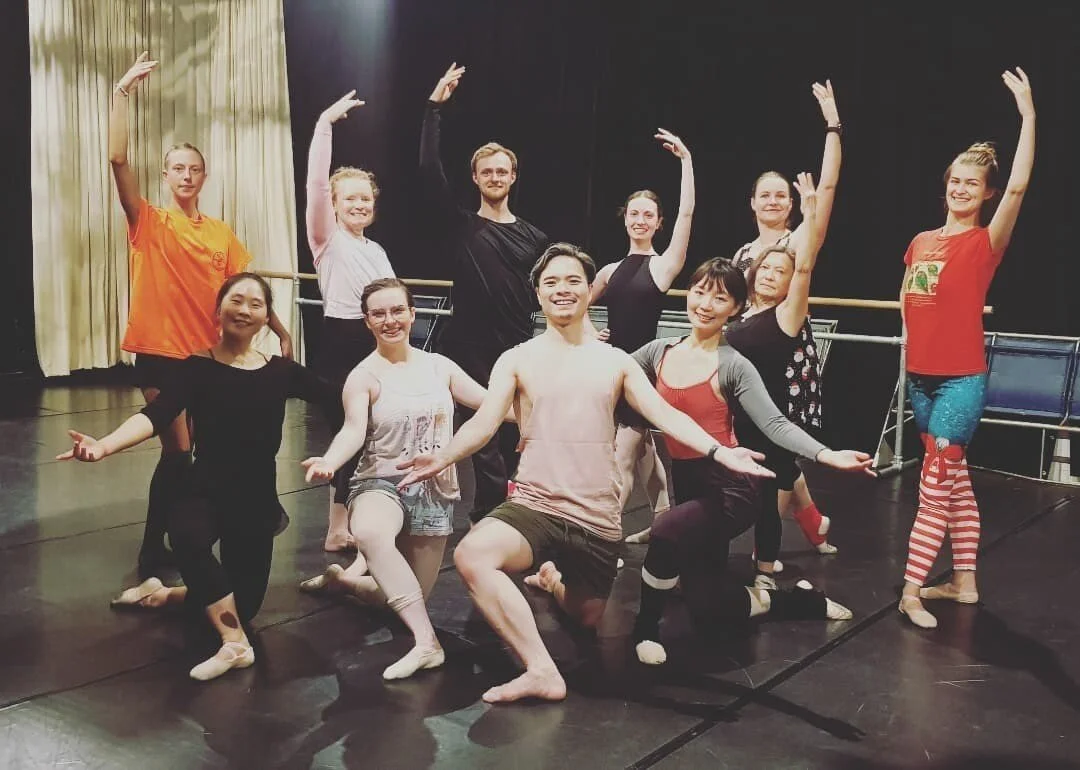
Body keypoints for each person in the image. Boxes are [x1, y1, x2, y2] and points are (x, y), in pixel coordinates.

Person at [396, 243, 774, 704]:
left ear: (589, 291)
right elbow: (484, 421)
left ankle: (553, 578)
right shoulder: (516, 358)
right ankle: (541, 670)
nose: (562, 290)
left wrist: (719, 451)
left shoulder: (615, 361)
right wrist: (443, 455)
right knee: (474, 555)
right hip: (535, 503)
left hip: (597, 517)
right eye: (551, 282)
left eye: (573, 280)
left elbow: (663, 413)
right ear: (537, 292)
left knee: (588, 616)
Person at [58, 274, 326, 681]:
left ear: (267, 317)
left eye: (256, 304)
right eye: (236, 301)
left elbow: (338, 394)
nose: (244, 310)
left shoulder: (282, 371)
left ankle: (161, 593)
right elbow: (155, 415)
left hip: (254, 497)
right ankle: (234, 644)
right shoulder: (196, 368)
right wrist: (104, 446)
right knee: (187, 535)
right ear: (217, 311)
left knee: (246, 604)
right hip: (206, 486)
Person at [626, 258, 873, 666]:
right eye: (700, 291)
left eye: (719, 297)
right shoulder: (659, 352)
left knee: (665, 530)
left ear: (736, 309)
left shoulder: (734, 365)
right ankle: (798, 602)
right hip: (687, 482)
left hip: (731, 489)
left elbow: (774, 422)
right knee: (709, 609)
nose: (705, 304)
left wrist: (826, 454)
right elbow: (612, 373)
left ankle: (645, 628)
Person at [109, 53, 292, 579]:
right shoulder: (150, 221)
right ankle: (154, 548)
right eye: (177, 169)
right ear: (165, 176)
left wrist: (278, 330)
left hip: (207, 356)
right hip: (162, 353)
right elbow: (118, 162)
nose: (186, 176)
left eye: (194, 169)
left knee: (198, 453)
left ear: (204, 176)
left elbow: (245, 289)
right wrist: (121, 95)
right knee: (180, 448)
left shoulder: (219, 232)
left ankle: (185, 535)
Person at [299, 278, 510, 681]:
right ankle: (427, 644)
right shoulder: (363, 377)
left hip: (435, 490)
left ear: (413, 314)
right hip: (381, 482)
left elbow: (491, 405)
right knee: (372, 534)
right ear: (367, 322)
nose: (390, 320)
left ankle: (341, 582)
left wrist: (546, 412)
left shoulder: (440, 367)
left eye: (397, 310)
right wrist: (329, 459)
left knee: (397, 597)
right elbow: (352, 430)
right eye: (379, 313)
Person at [898, 68, 1035, 629]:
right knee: (953, 478)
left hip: (960, 379)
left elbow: (1023, 186)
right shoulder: (920, 241)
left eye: (971, 184)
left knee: (933, 483)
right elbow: (908, 296)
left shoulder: (985, 242)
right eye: (955, 180)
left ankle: (909, 590)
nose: (960, 188)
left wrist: (1028, 115)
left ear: (987, 194)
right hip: (920, 377)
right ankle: (965, 582)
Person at [420, 63, 548, 524]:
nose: (495, 176)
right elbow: (428, 170)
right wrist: (434, 108)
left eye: (502, 170)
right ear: (475, 178)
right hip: (470, 348)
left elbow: (552, 295)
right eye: (486, 171)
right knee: (484, 434)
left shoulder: (535, 238)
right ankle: (491, 513)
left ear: (513, 177)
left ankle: (517, 508)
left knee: (521, 432)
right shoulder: (462, 225)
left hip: (518, 346)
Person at [730, 80, 841, 563]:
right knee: (770, 447)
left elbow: (830, 188)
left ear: (792, 204)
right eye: (765, 195)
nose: (774, 201)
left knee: (777, 449)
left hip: (788, 358)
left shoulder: (797, 241)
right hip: (747, 358)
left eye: (781, 195)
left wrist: (832, 124)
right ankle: (813, 522)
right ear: (752, 204)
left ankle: (767, 552)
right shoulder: (741, 253)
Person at [588, 129, 695, 543]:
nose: (640, 219)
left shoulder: (663, 267)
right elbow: (575, 306)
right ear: (626, 217)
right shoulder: (610, 271)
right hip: (610, 371)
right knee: (648, 458)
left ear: (658, 223)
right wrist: (591, 335)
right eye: (635, 213)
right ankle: (666, 526)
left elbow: (687, 216)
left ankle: (602, 538)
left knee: (622, 459)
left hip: (642, 375)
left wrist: (686, 162)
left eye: (648, 214)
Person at [306, 90, 396, 552]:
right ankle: (337, 527)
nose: (359, 205)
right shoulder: (328, 240)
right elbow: (316, 187)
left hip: (376, 343)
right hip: (341, 342)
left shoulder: (375, 249)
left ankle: (360, 519)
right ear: (335, 205)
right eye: (350, 199)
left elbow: (391, 301)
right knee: (351, 433)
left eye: (366, 198)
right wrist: (324, 123)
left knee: (374, 438)